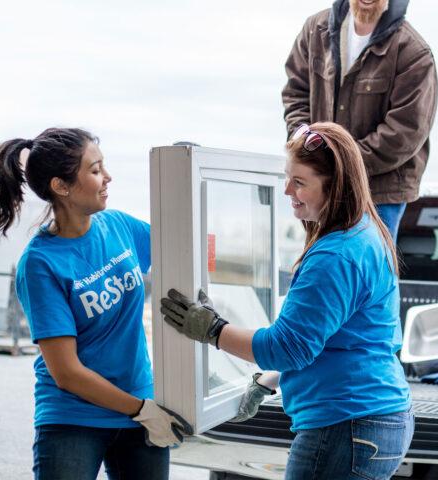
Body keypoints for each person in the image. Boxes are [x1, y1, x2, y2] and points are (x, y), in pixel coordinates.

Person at [160, 122, 414, 480]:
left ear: (334, 184)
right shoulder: (364, 233)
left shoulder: (336, 256)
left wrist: (213, 330)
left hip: (346, 426)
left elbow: (288, 347)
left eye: (300, 181)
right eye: (286, 177)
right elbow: (338, 340)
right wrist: (272, 379)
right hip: (375, 418)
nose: (287, 190)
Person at [0, 127, 192, 480]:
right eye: (95, 170)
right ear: (61, 186)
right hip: (74, 418)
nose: (107, 177)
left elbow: (182, 247)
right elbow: (66, 373)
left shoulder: (120, 226)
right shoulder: (41, 263)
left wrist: (189, 183)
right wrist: (142, 410)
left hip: (139, 408)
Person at [282, 0, 438, 241]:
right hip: (322, 188)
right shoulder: (315, 30)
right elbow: (296, 94)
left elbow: (406, 132)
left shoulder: (413, 52)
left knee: (371, 272)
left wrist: (339, 161)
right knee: (326, 267)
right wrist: (306, 145)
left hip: (379, 195)